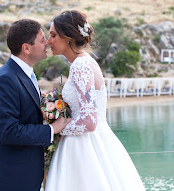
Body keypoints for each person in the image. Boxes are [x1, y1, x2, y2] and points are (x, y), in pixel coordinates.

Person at [45, 10, 145, 190]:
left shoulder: (81, 65)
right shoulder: (83, 62)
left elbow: (90, 122)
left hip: (86, 146)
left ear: (68, 37)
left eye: (53, 35)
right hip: (87, 141)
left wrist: (58, 127)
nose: (48, 41)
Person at [0, 19, 71, 191]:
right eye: (42, 39)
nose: (47, 42)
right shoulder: (5, 80)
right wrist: (52, 130)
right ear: (26, 48)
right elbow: (8, 132)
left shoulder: (25, 74)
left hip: (24, 175)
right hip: (10, 179)